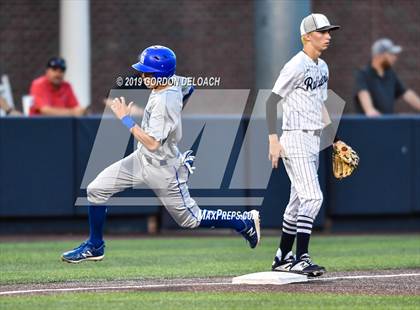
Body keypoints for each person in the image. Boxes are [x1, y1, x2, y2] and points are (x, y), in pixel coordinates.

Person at [61, 45, 260, 263]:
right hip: (141, 159)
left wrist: (125, 118)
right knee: (96, 190)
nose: (143, 76)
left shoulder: (164, 102)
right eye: (144, 71)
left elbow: (153, 143)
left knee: (190, 219)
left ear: (162, 74)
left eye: (148, 72)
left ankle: (243, 222)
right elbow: (189, 87)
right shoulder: (174, 81)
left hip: (163, 167)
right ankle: (95, 246)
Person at [265, 13, 340, 276]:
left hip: (314, 139)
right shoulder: (295, 65)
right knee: (314, 197)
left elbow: (320, 104)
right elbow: (271, 101)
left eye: (329, 31)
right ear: (307, 36)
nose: (328, 36)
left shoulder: (322, 67)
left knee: (297, 203)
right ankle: (302, 257)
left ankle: (282, 256)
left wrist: (334, 139)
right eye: (322, 31)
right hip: (295, 136)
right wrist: (273, 140)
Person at [354, 38, 420, 116]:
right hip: (368, 125)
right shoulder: (363, 74)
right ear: (379, 55)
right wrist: (370, 110)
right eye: (391, 54)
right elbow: (363, 93)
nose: (395, 58)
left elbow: (406, 93)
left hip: (387, 124)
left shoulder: (390, 74)